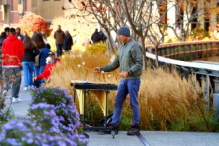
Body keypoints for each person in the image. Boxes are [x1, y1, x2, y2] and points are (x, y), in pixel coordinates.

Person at [93, 26, 143, 135]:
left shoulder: (134, 46)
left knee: (133, 102)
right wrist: (101, 69)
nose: (118, 37)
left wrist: (128, 72)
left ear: (125, 35)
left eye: (120, 35)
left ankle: (135, 126)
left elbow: (139, 64)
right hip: (123, 80)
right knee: (118, 101)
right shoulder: (121, 47)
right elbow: (114, 64)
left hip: (133, 80)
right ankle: (114, 125)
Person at [2, 28, 25, 103]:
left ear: (9, 33)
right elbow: (21, 52)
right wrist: (18, 59)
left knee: (7, 79)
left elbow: (3, 51)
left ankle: (5, 90)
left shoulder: (5, 41)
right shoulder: (19, 41)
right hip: (15, 63)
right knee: (17, 81)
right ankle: (15, 96)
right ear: (15, 33)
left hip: (6, 64)